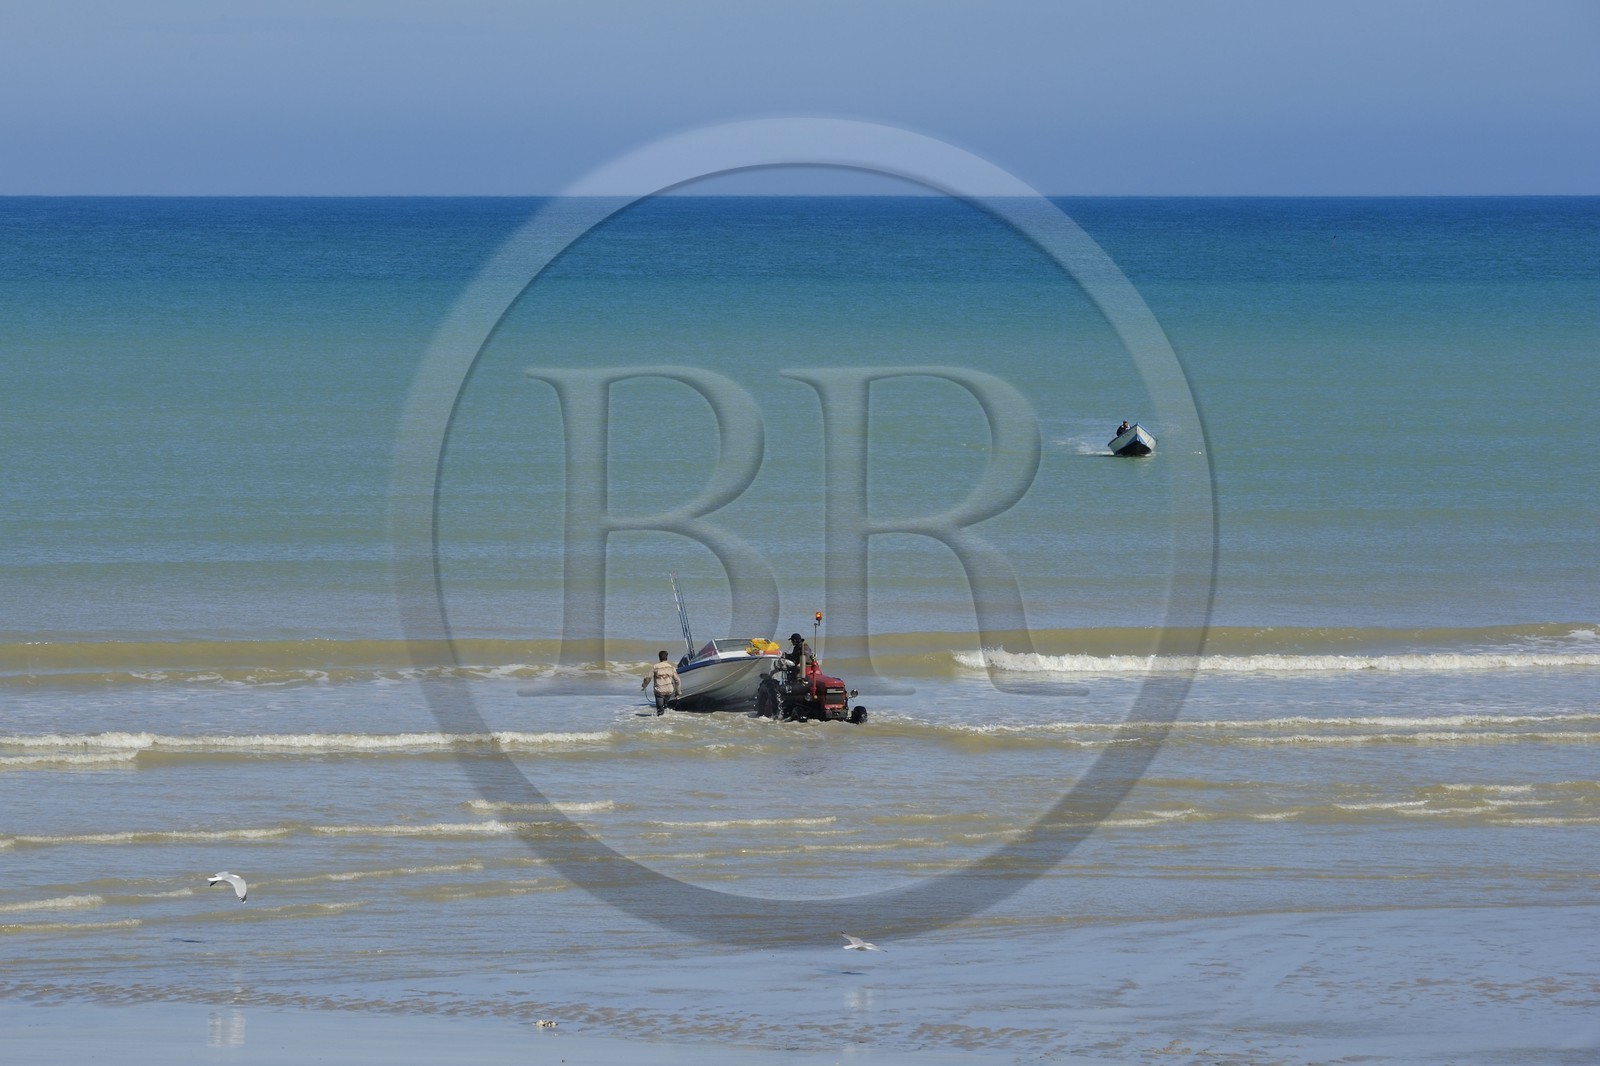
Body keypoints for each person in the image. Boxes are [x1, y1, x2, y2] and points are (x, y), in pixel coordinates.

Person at [641, 650, 680, 715]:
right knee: (665, 706)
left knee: (660, 710)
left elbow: (648, 678)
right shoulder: (671, 667)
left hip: (660, 690)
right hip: (669, 691)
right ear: (667, 657)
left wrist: (644, 686)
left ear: (659, 657)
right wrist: (678, 692)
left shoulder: (655, 667)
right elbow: (677, 680)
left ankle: (660, 719)